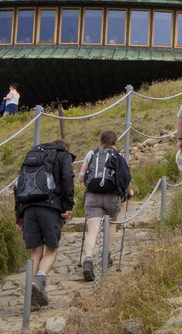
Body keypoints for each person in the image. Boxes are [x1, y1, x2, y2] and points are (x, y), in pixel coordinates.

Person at [15, 138, 75, 308]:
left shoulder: (32, 155)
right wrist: (68, 205)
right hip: (49, 207)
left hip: (28, 208)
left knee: (36, 252)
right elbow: (67, 178)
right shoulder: (62, 155)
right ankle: (39, 279)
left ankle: (30, 299)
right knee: (52, 249)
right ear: (65, 147)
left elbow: (18, 185)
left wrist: (19, 214)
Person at [78, 131, 133, 282]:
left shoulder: (91, 153)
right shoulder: (118, 156)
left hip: (93, 196)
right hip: (112, 197)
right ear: (115, 142)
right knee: (112, 224)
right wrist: (130, 192)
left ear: (100, 142)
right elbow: (125, 177)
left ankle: (88, 259)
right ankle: (106, 254)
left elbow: (80, 178)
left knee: (93, 230)